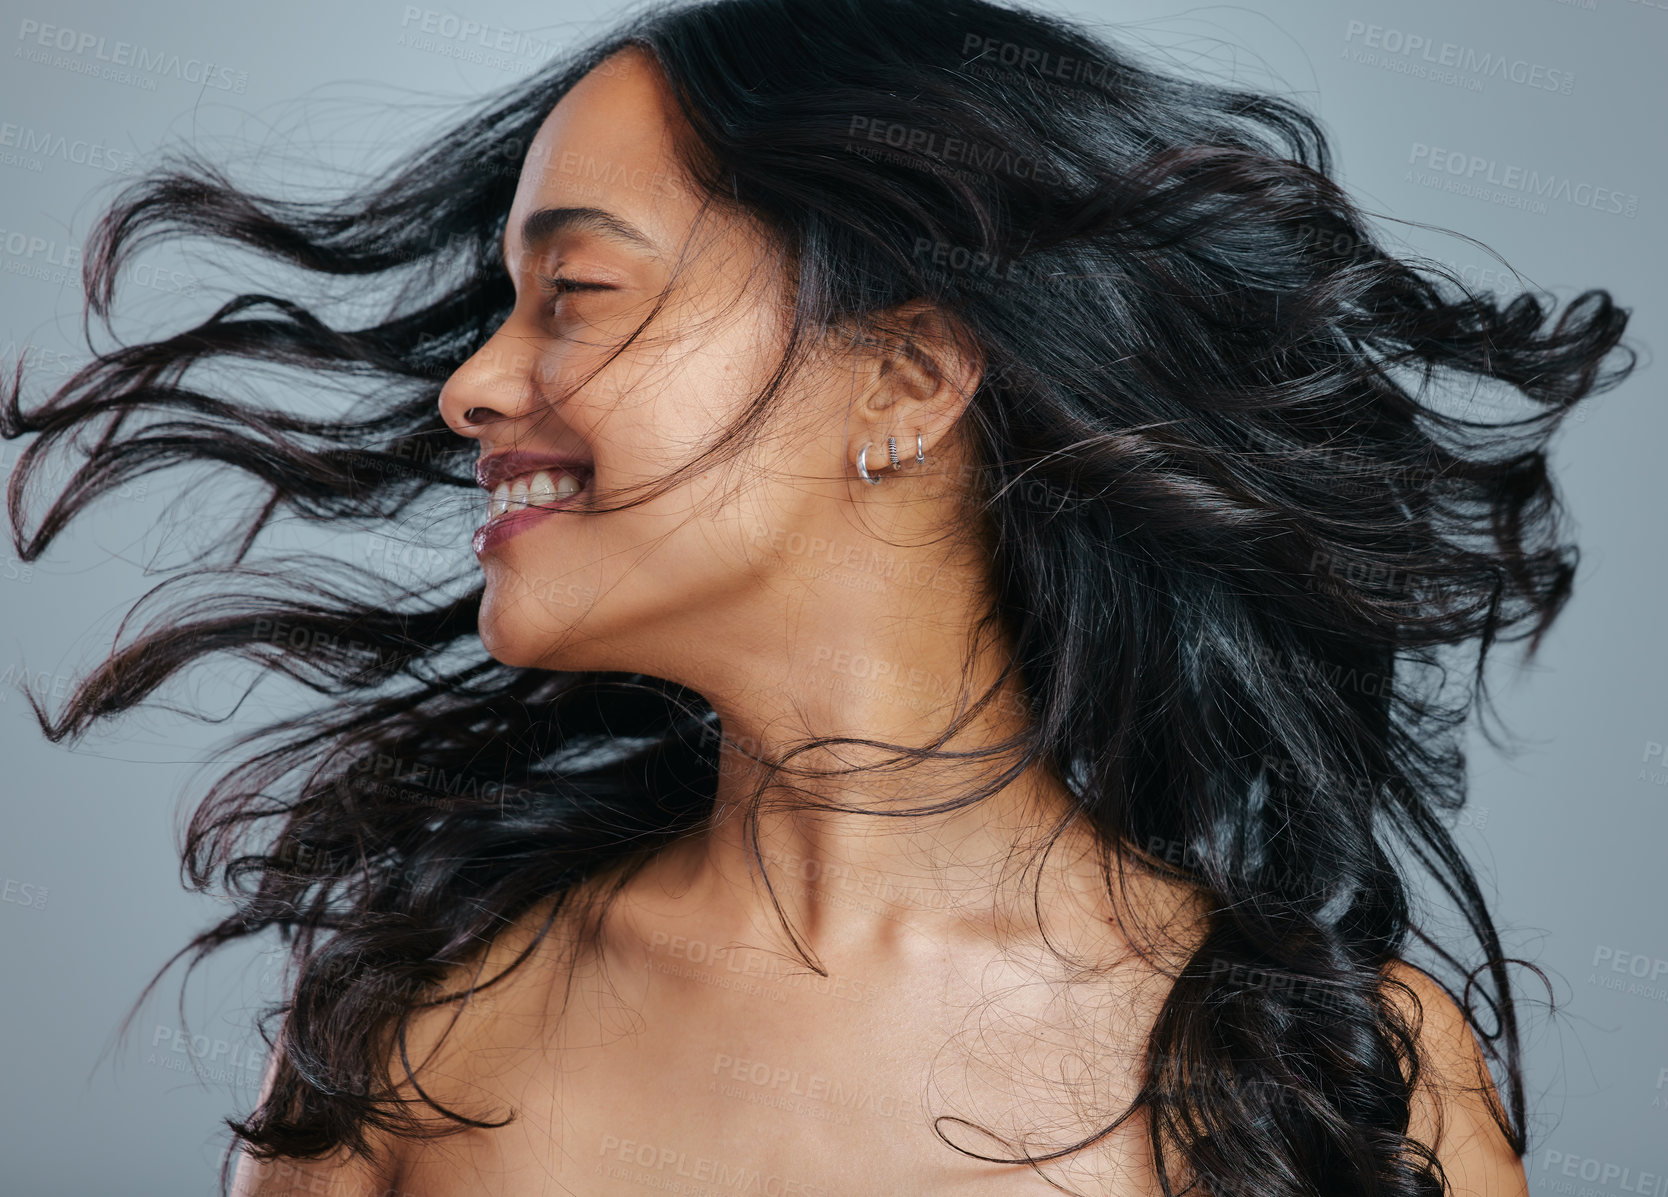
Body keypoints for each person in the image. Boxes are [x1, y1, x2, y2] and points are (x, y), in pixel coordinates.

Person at [3, 0, 1632, 1193]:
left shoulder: (1330, 1077)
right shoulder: (421, 1019)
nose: (475, 387)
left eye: (574, 291)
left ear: (911, 376)